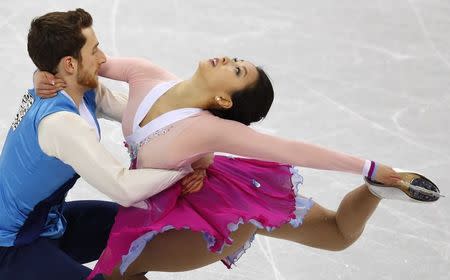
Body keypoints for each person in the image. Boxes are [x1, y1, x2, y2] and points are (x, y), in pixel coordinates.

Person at [50, 54, 435, 280]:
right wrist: (47, 73)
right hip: (195, 190)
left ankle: (376, 188)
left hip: (200, 214)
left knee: (337, 232)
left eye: (236, 71)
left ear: (222, 98)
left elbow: (291, 149)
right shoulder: (147, 75)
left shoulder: (209, 128)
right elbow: (83, 62)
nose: (228, 60)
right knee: (335, 234)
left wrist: (368, 167)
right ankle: (375, 189)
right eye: (237, 60)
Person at [0, 9, 203, 280]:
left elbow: (142, 113)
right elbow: (123, 187)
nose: (103, 58)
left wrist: (200, 114)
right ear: (70, 64)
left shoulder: (77, 90)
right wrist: (183, 170)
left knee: (139, 233)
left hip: (51, 225)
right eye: (94, 50)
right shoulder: (60, 123)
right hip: (13, 246)